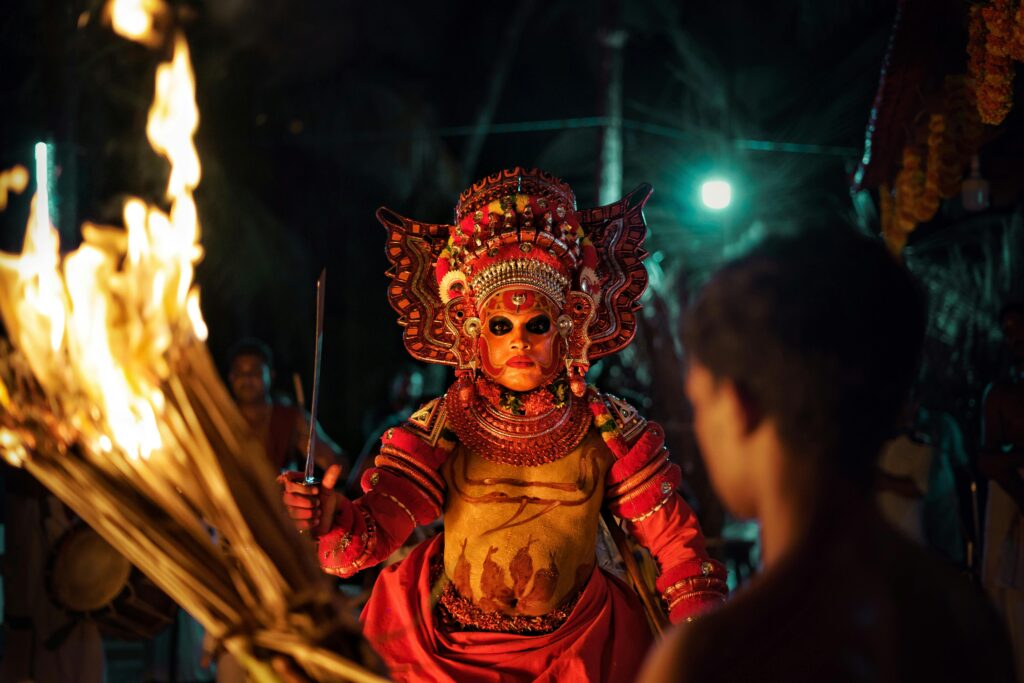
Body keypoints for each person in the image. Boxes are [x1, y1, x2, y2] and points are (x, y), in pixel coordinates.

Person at [280, 168, 727, 682]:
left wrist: (699, 640)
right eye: (501, 326)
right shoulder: (443, 428)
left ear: (568, 325)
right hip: (443, 659)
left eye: (536, 325)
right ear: (473, 333)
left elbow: (677, 547)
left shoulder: (608, 430)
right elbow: (371, 536)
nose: (519, 341)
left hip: (578, 655)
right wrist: (329, 517)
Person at [638, 230, 1013, 683]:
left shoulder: (713, 657)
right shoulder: (967, 620)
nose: (700, 427)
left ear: (739, 407)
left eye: (699, 402)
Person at [980, 301, 1024, 677]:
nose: (1015, 338)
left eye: (1019, 328)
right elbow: (987, 460)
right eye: (1007, 332)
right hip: (1010, 494)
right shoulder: (1000, 393)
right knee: (1004, 585)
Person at [226, 338, 346, 475]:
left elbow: (341, 466)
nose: (247, 379)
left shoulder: (292, 418)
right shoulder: (219, 417)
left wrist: (317, 451)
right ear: (231, 376)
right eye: (240, 373)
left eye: (255, 372)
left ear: (271, 375)